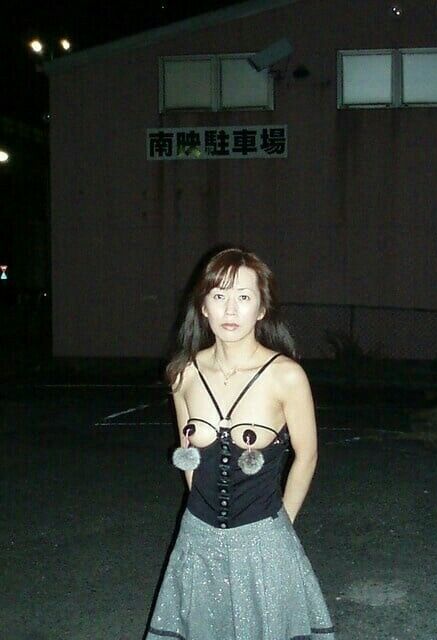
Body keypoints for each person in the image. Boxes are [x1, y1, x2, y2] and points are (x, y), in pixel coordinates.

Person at [145, 247, 335, 639]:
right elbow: (190, 460)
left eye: (244, 297)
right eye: (219, 296)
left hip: (264, 540)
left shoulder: (286, 376)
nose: (230, 310)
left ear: (261, 309)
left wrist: (282, 527)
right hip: (197, 540)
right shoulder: (184, 374)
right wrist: (203, 527)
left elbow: (307, 455)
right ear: (203, 306)